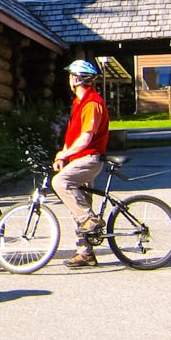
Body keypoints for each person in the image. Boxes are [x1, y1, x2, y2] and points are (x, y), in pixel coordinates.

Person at [52, 59, 110, 268]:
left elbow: (86, 138)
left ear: (76, 79)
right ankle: (85, 253)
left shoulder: (92, 104)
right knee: (78, 203)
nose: (69, 80)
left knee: (60, 184)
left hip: (89, 159)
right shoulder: (79, 103)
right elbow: (73, 135)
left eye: (70, 76)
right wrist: (64, 156)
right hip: (79, 159)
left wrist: (64, 154)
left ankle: (90, 220)